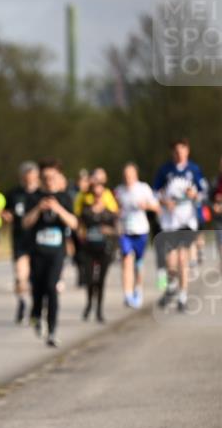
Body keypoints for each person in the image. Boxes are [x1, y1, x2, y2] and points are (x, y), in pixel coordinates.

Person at [23, 159, 78, 347]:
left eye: (52, 177)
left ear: (58, 177)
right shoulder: (33, 197)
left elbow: (74, 223)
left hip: (56, 253)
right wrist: (39, 208)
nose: (48, 181)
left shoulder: (64, 197)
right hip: (37, 252)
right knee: (38, 290)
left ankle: (52, 330)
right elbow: (25, 223)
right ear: (40, 178)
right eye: (45, 177)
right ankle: (36, 315)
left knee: (51, 288)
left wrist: (57, 209)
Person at [152, 137, 208, 313]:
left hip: (187, 220)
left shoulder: (194, 170)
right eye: (176, 151)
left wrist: (194, 195)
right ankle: (172, 286)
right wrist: (164, 202)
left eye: (182, 150)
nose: (179, 154)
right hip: (170, 222)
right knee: (171, 261)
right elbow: (154, 192)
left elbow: (204, 192)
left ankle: (182, 297)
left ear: (187, 151)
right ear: (172, 153)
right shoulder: (165, 170)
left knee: (183, 259)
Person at [113, 163, 158, 308]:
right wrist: (117, 213)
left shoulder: (143, 188)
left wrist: (146, 206)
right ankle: (127, 294)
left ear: (136, 175)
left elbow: (156, 207)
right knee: (126, 260)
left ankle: (138, 289)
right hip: (125, 232)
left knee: (138, 263)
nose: (128, 178)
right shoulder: (119, 191)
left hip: (141, 230)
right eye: (126, 175)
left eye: (130, 175)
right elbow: (115, 209)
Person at [77, 174, 118, 322]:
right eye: (94, 194)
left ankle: (99, 310)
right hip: (88, 249)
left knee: (101, 281)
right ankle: (89, 304)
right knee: (89, 280)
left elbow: (118, 231)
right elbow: (78, 227)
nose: (97, 197)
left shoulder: (109, 214)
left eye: (100, 195)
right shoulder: (86, 211)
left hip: (105, 250)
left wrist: (108, 230)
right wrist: (81, 233)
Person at [2, 162, 40, 323]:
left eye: (32, 176)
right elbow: (6, 211)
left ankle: (36, 306)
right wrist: (5, 216)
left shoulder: (42, 194)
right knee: (20, 275)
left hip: (39, 241)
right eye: (26, 176)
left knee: (36, 278)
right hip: (20, 239)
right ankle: (22, 302)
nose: (29, 179)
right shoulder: (14, 194)